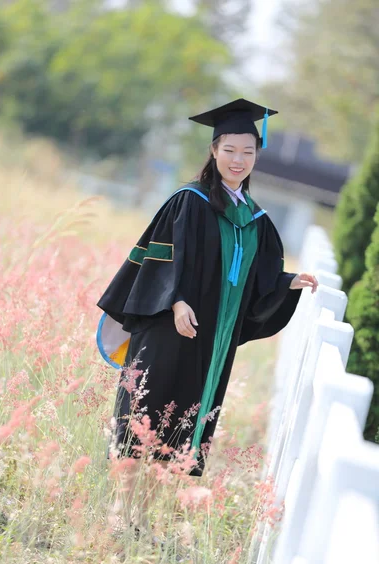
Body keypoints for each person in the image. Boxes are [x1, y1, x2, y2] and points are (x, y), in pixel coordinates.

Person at [96, 98, 318, 527]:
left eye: (248, 152)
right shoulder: (189, 202)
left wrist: (288, 282)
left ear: (257, 155)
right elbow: (162, 261)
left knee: (183, 420)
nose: (239, 160)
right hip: (167, 329)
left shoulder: (253, 218)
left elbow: (256, 279)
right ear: (214, 150)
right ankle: (119, 513)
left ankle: (144, 518)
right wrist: (176, 300)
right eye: (230, 150)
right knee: (146, 412)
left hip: (211, 342)